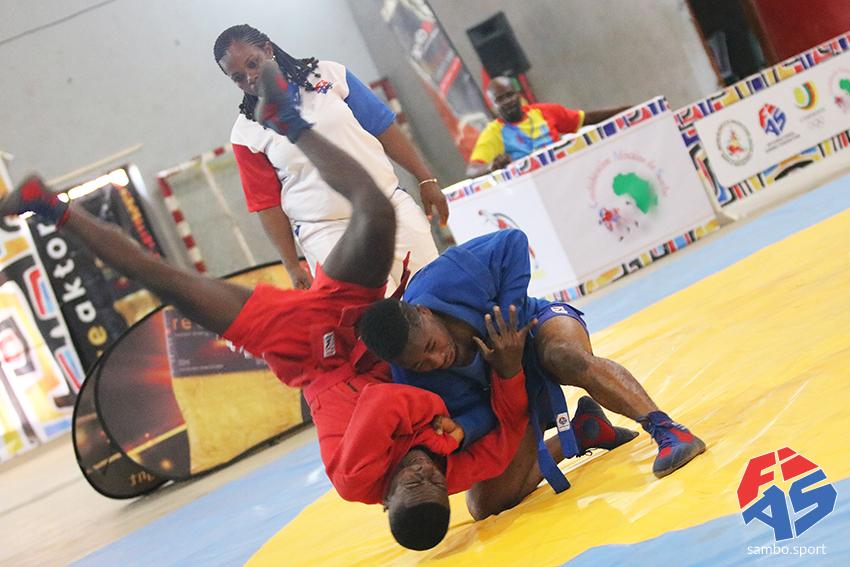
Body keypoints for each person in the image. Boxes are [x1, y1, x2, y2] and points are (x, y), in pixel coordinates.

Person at [3, 63, 539, 551]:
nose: (421, 473)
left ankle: (51, 208)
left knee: (170, 283)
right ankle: (288, 120)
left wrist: (442, 419)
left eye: (409, 483)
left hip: (311, 351)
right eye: (431, 481)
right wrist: (499, 383)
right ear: (445, 487)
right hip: (364, 329)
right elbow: (507, 425)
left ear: (386, 499)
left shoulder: (357, 480)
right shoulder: (454, 461)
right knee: (377, 210)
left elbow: (387, 405)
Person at [359, 228, 706, 519]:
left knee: (563, 355)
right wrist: (468, 426)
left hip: (537, 325)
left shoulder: (445, 278)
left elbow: (512, 241)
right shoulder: (413, 380)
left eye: (432, 345)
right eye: (421, 363)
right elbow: (475, 412)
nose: (437, 360)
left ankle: (667, 429)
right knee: (485, 505)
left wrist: (510, 316)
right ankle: (583, 432)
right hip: (506, 388)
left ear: (423, 312)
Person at [214, 24, 447, 289]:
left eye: (253, 63)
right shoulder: (245, 132)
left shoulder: (329, 74)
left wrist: (426, 179)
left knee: (433, 293)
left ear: (268, 50)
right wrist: (291, 265)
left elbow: (382, 126)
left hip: (388, 204)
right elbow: (267, 204)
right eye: (238, 77)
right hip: (325, 231)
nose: (250, 77)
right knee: (376, 309)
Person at [466, 76, 631, 177]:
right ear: (492, 106)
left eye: (509, 95)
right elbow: (472, 171)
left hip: (568, 175)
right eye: (499, 99)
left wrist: (629, 110)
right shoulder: (493, 132)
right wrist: (491, 166)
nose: (507, 102)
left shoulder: (544, 111)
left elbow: (587, 119)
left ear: (518, 95)